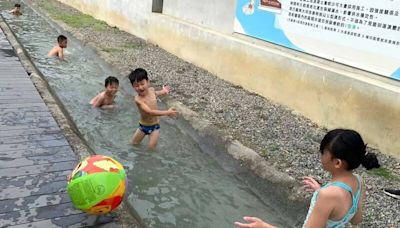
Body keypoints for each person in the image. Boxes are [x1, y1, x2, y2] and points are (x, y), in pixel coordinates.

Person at [235, 129, 380, 228]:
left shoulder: (327, 195)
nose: (321, 156)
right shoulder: (359, 182)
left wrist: (264, 226)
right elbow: (355, 220)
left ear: (337, 163)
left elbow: (333, 199)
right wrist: (321, 192)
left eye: (323, 152)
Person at [128, 68, 177, 149]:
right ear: (133, 87)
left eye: (142, 84)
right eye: (136, 85)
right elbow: (150, 112)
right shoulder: (138, 99)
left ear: (148, 82)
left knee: (151, 148)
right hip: (143, 127)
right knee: (133, 145)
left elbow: (155, 94)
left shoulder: (151, 90)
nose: (140, 87)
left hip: (155, 127)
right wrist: (167, 113)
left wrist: (164, 91)